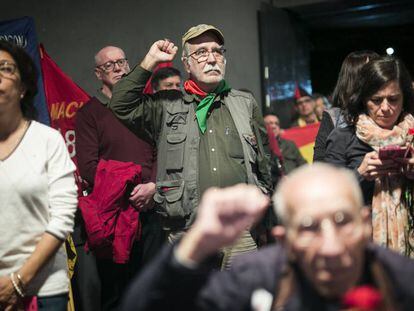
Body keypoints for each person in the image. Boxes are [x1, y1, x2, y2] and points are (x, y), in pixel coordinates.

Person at [121, 164, 414, 311]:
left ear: (365, 225)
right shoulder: (257, 277)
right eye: (309, 227)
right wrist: (198, 242)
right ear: (284, 241)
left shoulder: (401, 279)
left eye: (342, 221)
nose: (331, 247)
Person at [109, 24, 272, 269]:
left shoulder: (244, 103)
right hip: (188, 232)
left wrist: (264, 219)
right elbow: (121, 104)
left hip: (242, 234)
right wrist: (150, 61)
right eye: (202, 52)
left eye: (217, 51)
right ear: (186, 64)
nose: (211, 58)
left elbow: (264, 164)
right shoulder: (166, 105)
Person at [75, 46, 162, 310]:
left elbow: (163, 151)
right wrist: (132, 185)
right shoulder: (89, 114)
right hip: (114, 216)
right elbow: (89, 167)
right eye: (109, 65)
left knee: (152, 290)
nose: (118, 68)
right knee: (117, 294)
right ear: (98, 73)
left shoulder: (148, 107)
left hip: (151, 210)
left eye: (122, 62)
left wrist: (153, 186)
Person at [0, 41, 77, 310]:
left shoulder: (47, 140)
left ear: (23, 87)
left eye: (5, 68)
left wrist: (18, 281)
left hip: (43, 290)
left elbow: (62, 218)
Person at [324, 56, 414, 257]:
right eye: (376, 100)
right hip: (359, 247)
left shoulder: (412, 134)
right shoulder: (343, 137)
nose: (385, 108)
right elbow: (325, 197)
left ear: (404, 98)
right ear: (363, 99)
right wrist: (359, 174)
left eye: (393, 99)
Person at [313, 50, 379, 162]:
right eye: (371, 72)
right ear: (354, 78)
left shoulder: (390, 111)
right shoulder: (335, 117)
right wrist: (359, 173)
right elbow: (320, 166)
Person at [264, 114, 306, 179]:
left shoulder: (289, 144)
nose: (274, 126)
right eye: (270, 123)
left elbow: (303, 166)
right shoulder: (261, 147)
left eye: (276, 124)